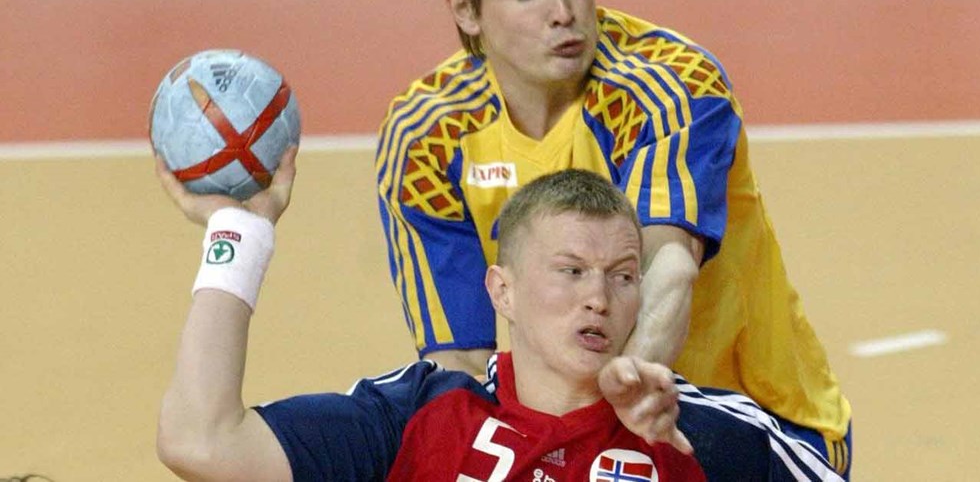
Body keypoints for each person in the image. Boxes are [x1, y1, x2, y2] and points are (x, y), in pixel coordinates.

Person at [375, 0, 853, 476]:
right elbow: (458, 359)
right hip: (581, 433)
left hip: (754, 427)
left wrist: (629, 384)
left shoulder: (667, 85)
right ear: (465, 9)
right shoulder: (428, 137)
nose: (563, 11)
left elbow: (668, 265)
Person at [154, 151, 841, 480]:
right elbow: (200, 440)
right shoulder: (418, 417)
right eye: (570, 271)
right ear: (501, 291)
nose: (598, 296)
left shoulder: (708, 436)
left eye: (623, 275)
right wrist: (238, 235)